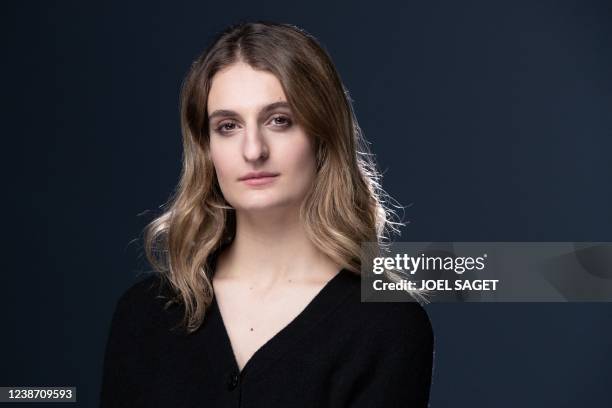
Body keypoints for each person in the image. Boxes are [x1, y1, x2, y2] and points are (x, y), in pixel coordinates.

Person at [99, 21, 434, 407]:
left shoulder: (386, 324)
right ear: (206, 149)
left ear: (322, 135)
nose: (253, 150)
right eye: (228, 126)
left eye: (279, 120)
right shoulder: (144, 315)